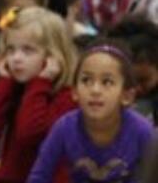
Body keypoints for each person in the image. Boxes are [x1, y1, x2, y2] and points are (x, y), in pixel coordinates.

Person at [0, 6, 77, 183]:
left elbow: (29, 134)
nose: (16, 58)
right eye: (11, 50)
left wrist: (41, 82)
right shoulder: (15, 87)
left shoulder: (66, 97)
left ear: (53, 56)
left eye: (28, 50)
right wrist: (5, 83)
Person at [27, 42, 155, 183]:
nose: (95, 90)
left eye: (107, 82)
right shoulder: (64, 127)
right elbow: (39, 176)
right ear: (74, 92)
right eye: (86, 80)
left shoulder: (143, 131)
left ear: (127, 96)